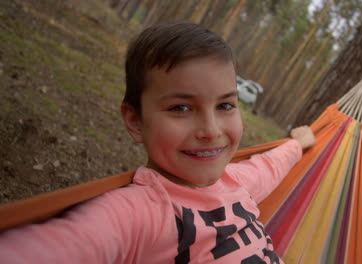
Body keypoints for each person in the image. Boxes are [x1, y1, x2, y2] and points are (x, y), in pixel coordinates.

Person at [0, 21, 315, 263]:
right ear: (135, 122)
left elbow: (268, 166)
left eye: (225, 105)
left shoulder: (236, 181)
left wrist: (296, 144)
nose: (211, 130)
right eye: (181, 108)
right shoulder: (140, 212)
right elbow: (67, 244)